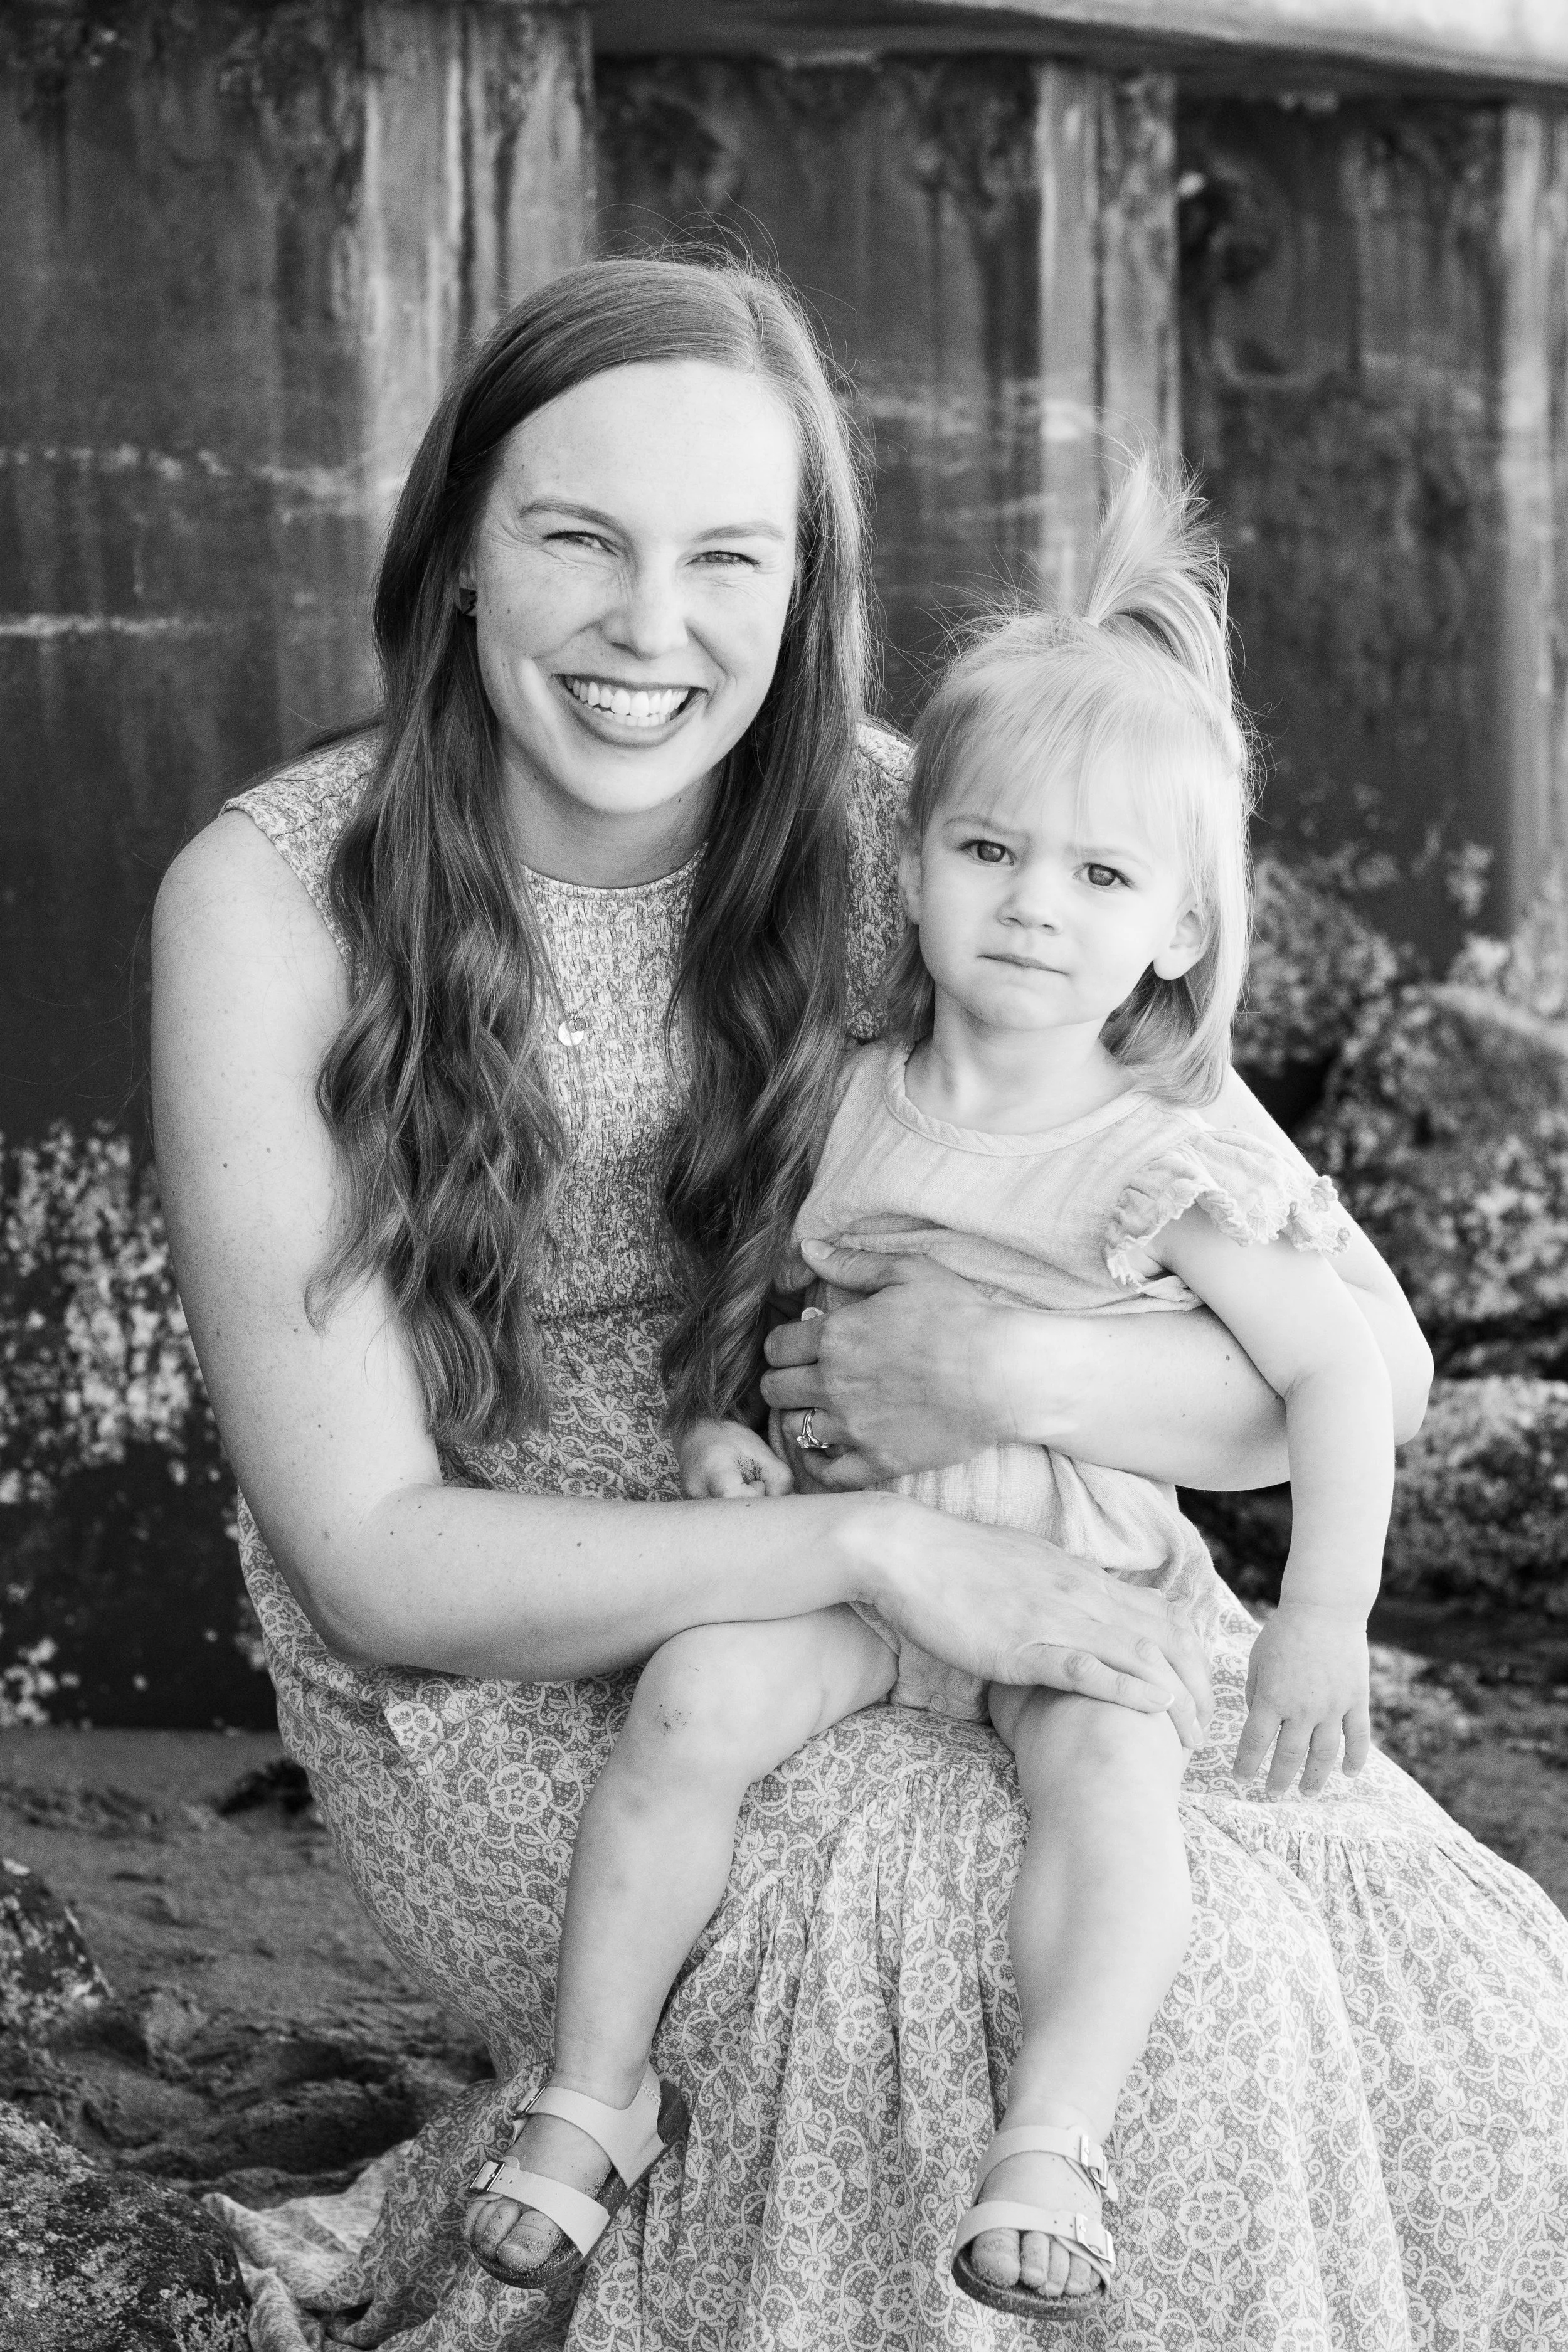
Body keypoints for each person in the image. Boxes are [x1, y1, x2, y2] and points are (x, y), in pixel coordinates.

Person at [151, 255, 1567, 2351]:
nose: (654, 628)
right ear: (457, 553)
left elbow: (1346, 1362)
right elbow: (371, 1563)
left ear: (805, 588)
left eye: (728, 557)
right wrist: (874, 1537)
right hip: (544, 1698)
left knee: (1436, 1960)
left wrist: (1017, 1367)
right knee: (1174, 2004)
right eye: (577, 540)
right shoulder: (279, 897)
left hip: (985, 1564)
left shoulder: (940, 833)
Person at [460, 460, 1393, 2325]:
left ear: (1182, 936)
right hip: (863, 1573)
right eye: (988, 853)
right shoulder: (849, 1089)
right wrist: (721, 1431)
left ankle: (1053, 2134)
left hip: (1079, 1589)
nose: (1036, 908)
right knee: (694, 1696)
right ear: (912, 860)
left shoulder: (1162, 1151)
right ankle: (593, 2087)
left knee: (1113, 1784)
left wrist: (1322, 1618)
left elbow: (1339, 1373)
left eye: (1103, 876)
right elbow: (757, 1306)